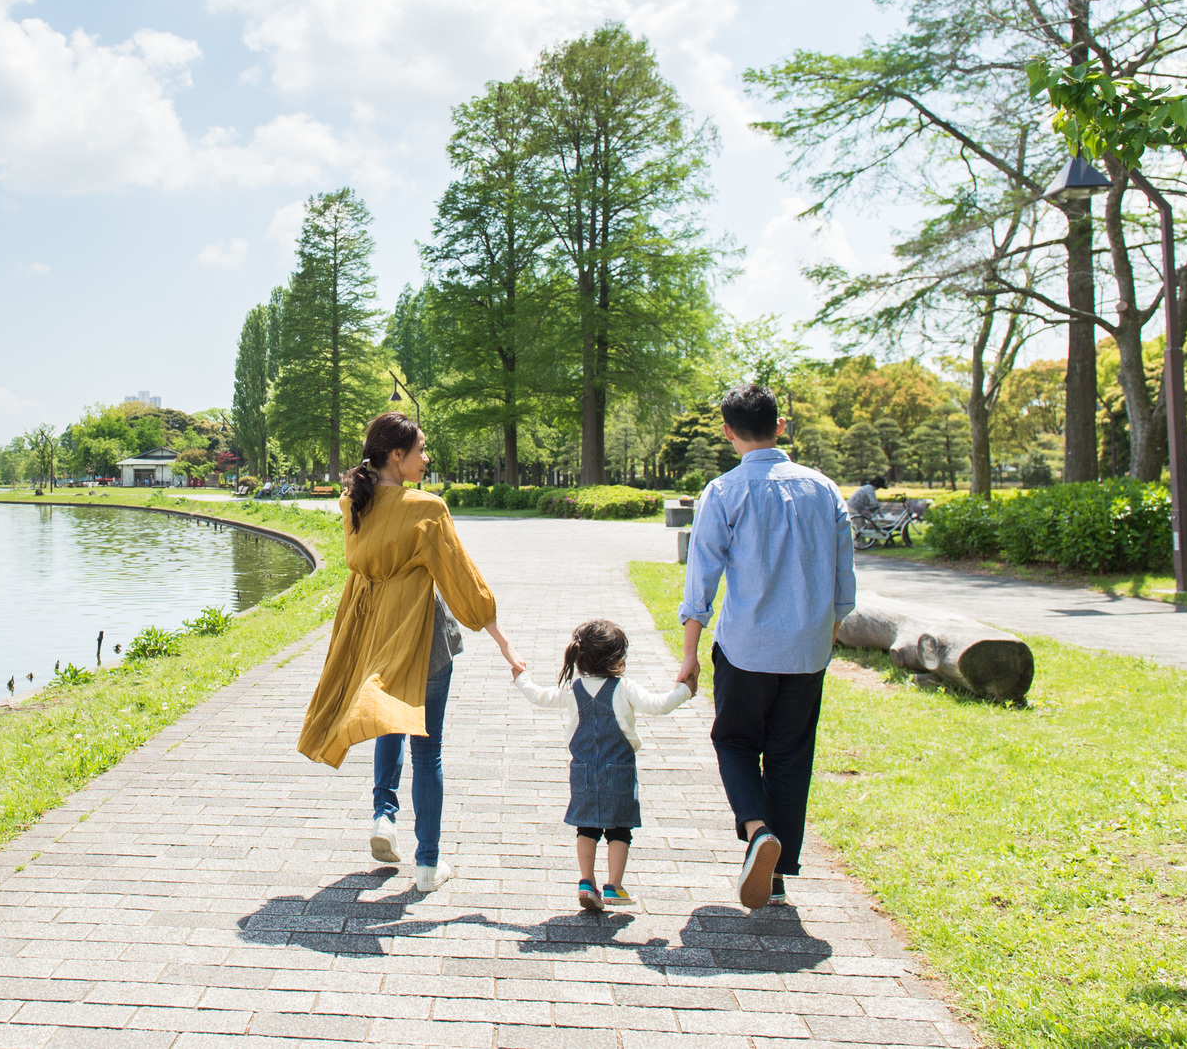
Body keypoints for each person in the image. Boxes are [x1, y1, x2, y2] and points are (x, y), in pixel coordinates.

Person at [297, 412, 525, 892]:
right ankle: (427, 865)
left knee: (386, 716)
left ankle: (384, 815)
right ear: (396, 456)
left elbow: (360, 567)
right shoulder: (426, 508)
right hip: (423, 636)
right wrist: (504, 643)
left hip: (375, 632)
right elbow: (463, 580)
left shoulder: (353, 503)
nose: (426, 458)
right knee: (428, 750)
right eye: (420, 450)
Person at [675, 383, 855, 911]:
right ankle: (777, 874)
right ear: (781, 426)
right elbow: (844, 587)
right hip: (807, 651)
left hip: (746, 647)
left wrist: (689, 655)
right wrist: (824, 640)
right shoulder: (825, 491)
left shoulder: (724, 492)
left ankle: (757, 833)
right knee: (790, 755)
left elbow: (699, 582)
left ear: (728, 431)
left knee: (733, 742)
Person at [512, 620, 694, 912]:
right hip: (619, 772)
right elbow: (659, 705)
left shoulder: (574, 688)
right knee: (620, 831)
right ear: (617, 659)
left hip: (582, 772)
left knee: (587, 827)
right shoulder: (624, 688)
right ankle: (614, 887)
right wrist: (685, 689)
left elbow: (539, 696)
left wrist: (521, 677)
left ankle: (586, 882)